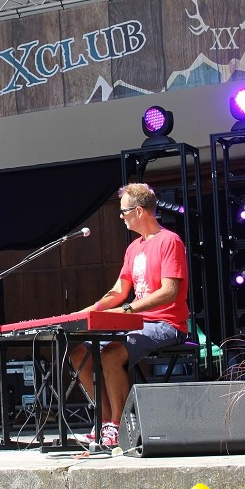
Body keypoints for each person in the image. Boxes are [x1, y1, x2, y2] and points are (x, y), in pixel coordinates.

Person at [67, 182, 189, 449]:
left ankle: (117, 425)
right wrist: (90, 310)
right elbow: (119, 290)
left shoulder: (170, 241)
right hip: (136, 322)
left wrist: (127, 309)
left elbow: (169, 291)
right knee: (78, 353)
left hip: (166, 323)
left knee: (110, 352)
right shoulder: (134, 248)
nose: (121, 217)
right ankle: (103, 421)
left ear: (140, 211)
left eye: (123, 212)